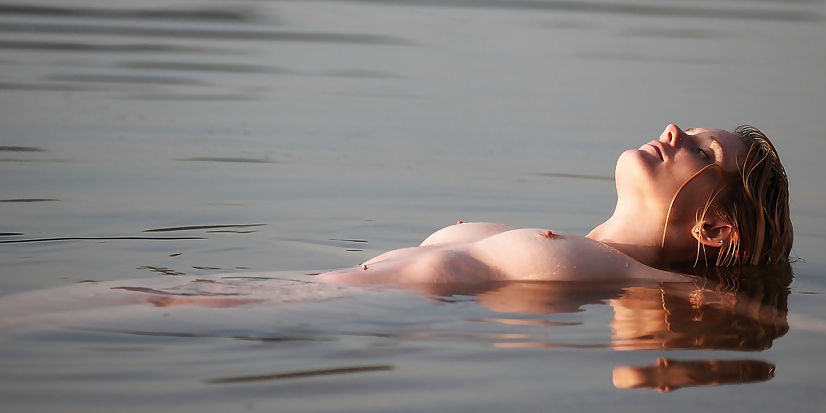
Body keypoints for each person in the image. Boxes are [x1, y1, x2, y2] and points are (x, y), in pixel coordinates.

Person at [319, 123, 792, 288]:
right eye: (691, 130)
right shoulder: (579, 250)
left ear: (713, 228)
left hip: (325, 318)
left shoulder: (646, 280)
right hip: (302, 295)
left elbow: (759, 317)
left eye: (703, 151)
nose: (673, 131)